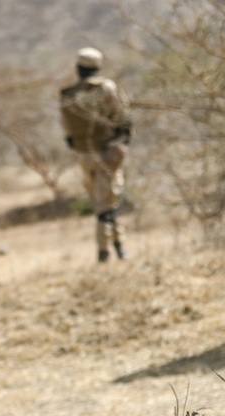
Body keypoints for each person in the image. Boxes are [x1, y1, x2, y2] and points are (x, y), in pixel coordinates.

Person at [59, 46, 133, 262]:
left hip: (83, 155)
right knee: (107, 204)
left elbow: (67, 132)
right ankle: (105, 253)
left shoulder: (68, 95)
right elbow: (124, 118)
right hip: (107, 153)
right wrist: (122, 143)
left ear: (78, 69)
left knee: (104, 202)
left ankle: (119, 247)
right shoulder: (107, 88)